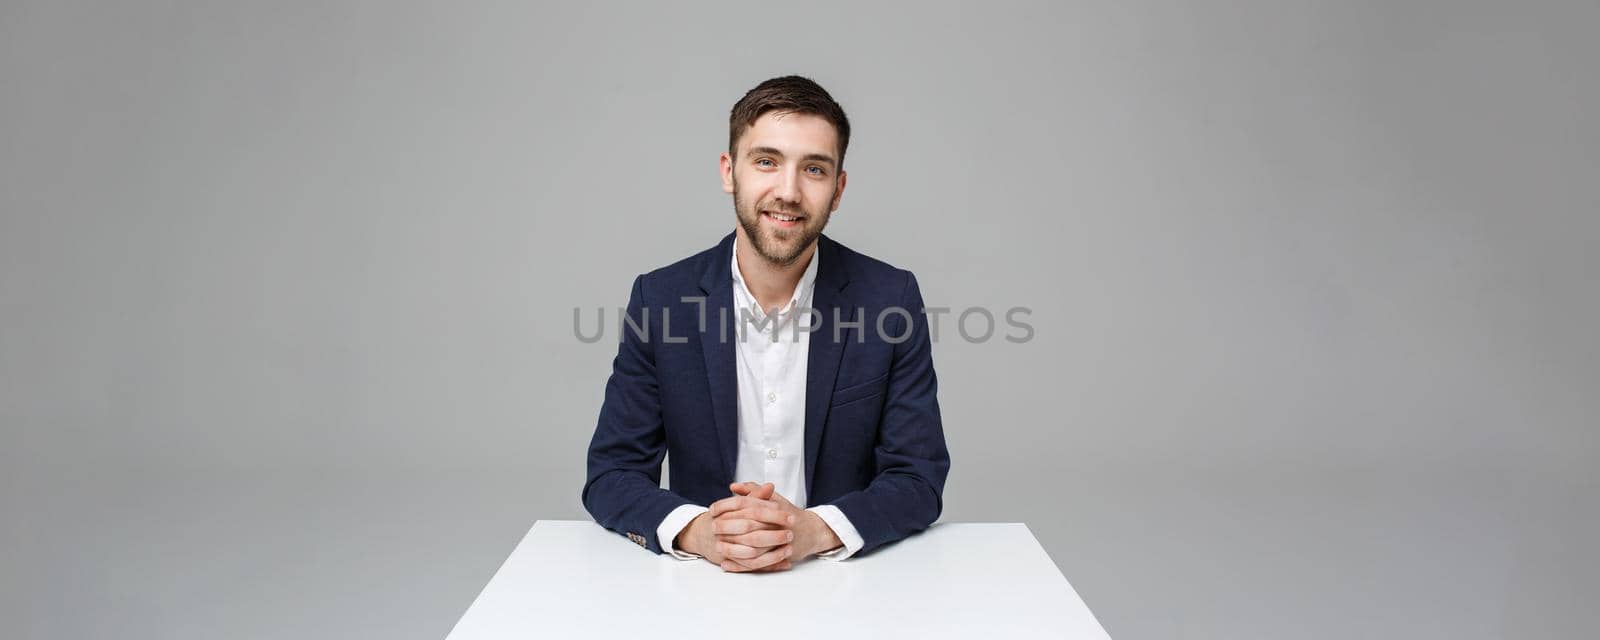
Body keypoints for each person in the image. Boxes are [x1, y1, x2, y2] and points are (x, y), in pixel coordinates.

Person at [581, 75, 951, 573]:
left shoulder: (890, 299)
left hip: (842, 581)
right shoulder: (661, 299)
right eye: (766, 162)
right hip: (700, 585)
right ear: (729, 171)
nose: (789, 191)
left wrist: (815, 531)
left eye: (814, 169)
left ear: (838, 189)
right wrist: (701, 532)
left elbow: (918, 478)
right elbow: (613, 472)